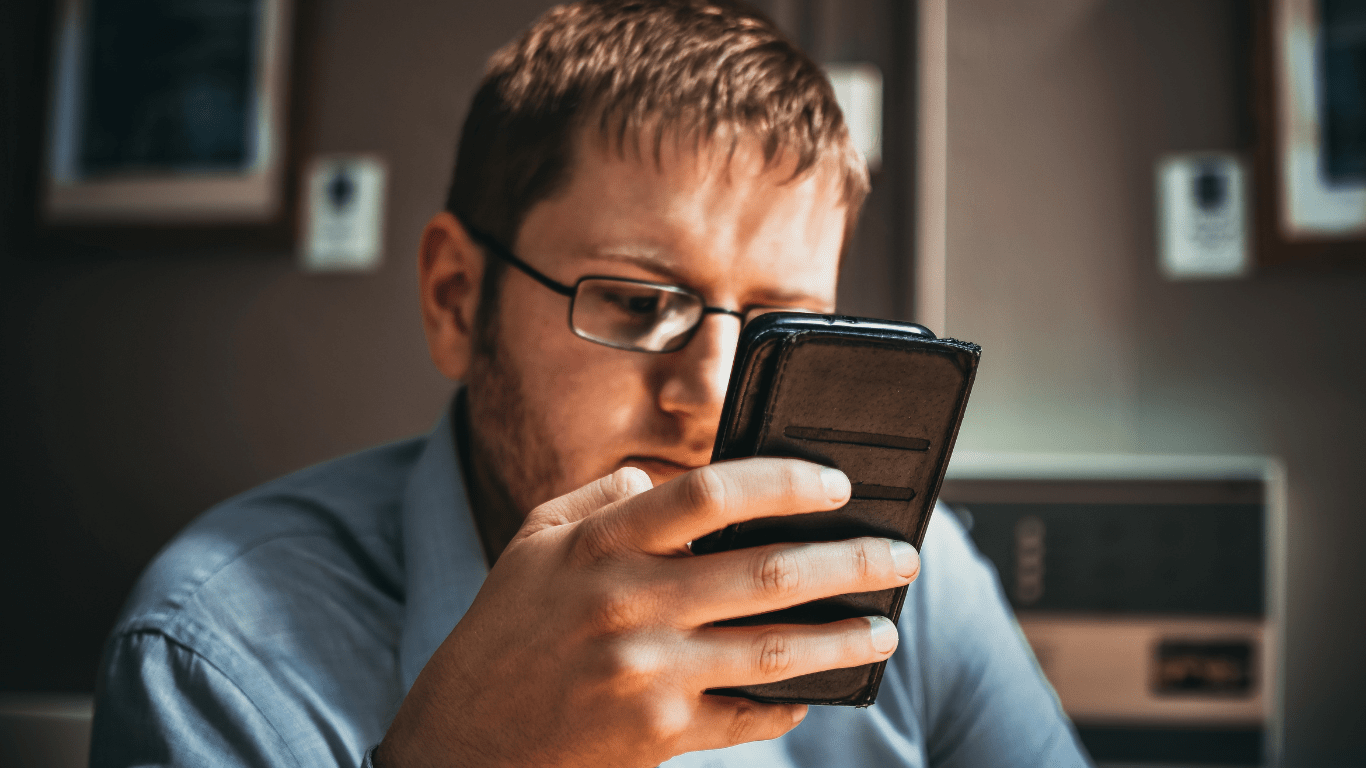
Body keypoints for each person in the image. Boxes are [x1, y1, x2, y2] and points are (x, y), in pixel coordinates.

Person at [90, 1, 1090, 766]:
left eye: (780, 330)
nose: (707, 391)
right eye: (637, 302)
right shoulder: (215, 655)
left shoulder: (909, 581)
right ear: (453, 299)